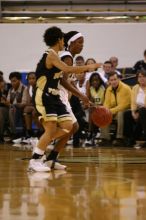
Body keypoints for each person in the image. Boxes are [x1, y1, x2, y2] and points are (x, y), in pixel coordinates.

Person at [28, 26, 101, 172]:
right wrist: (89, 66)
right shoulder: (52, 54)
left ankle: (41, 145)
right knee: (51, 128)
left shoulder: (57, 54)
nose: (64, 41)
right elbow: (67, 70)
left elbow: (65, 76)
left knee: (68, 126)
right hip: (44, 94)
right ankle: (36, 158)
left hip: (54, 95)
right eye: (63, 38)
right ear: (59, 40)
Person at [99, 72, 131, 146]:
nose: (113, 82)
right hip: (113, 111)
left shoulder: (126, 88)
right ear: (109, 81)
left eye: (115, 79)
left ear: (119, 79)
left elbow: (123, 106)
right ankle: (105, 139)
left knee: (120, 113)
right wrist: (106, 111)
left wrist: (109, 111)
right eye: (111, 80)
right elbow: (106, 104)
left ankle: (120, 138)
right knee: (103, 113)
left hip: (126, 111)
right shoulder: (108, 89)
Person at [124, 69, 146, 148]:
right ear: (137, 78)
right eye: (139, 77)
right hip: (138, 110)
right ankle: (129, 137)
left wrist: (139, 112)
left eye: (144, 76)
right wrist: (133, 112)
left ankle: (133, 138)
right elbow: (133, 102)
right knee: (127, 114)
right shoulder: (135, 88)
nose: (142, 78)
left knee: (143, 111)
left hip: (144, 110)